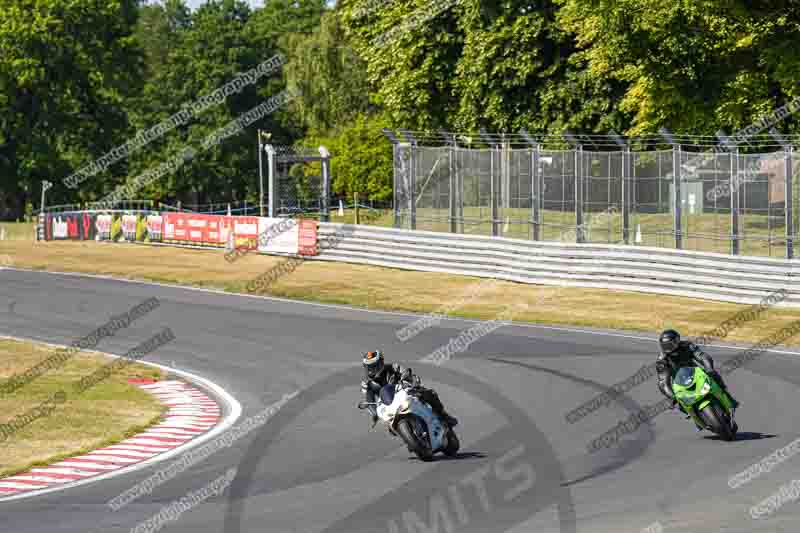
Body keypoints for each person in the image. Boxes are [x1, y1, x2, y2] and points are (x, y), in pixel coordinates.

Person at [361, 350, 458, 428]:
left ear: (381, 363)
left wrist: (413, 381)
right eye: (369, 367)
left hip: (404, 392)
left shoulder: (393, 367)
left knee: (429, 393)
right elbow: (369, 400)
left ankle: (444, 416)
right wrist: (375, 414)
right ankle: (409, 436)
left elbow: (406, 374)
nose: (372, 370)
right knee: (389, 427)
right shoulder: (367, 384)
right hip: (389, 405)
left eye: (374, 366)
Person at [656, 329, 739, 412]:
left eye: (670, 344)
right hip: (679, 383)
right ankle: (694, 416)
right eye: (665, 346)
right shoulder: (661, 361)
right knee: (680, 404)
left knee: (714, 375)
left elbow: (702, 356)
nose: (668, 348)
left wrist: (709, 368)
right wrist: (672, 396)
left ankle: (727, 396)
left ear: (677, 340)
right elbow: (663, 382)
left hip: (696, 373)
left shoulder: (687, 345)